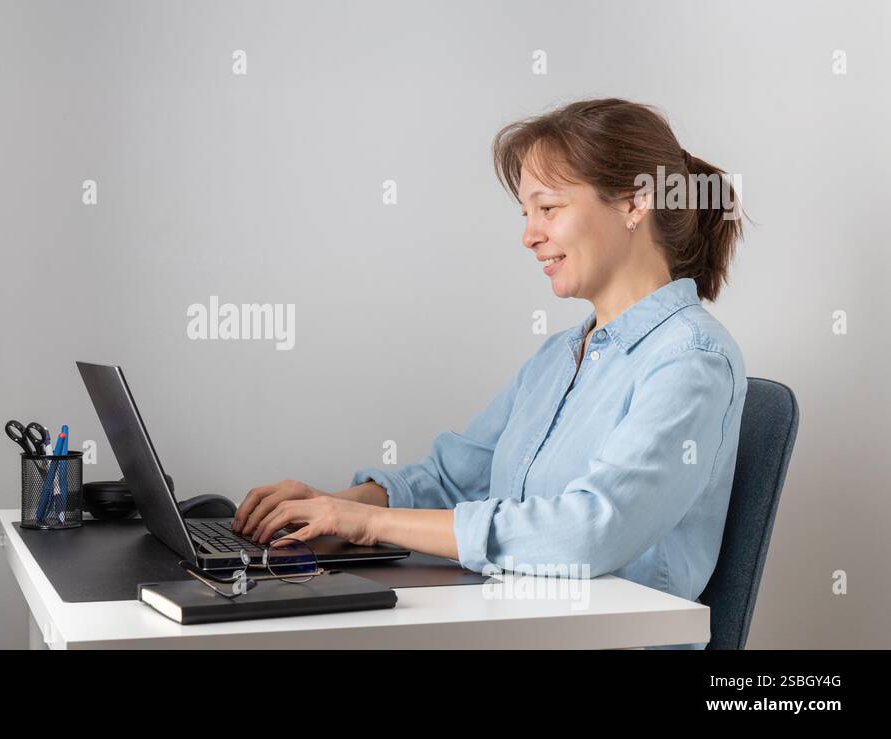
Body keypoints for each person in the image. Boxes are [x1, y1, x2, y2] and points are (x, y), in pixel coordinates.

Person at [231, 98, 747, 649]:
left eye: (548, 208)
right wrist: (337, 507)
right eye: (526, 214)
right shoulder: (562, 354)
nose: (529, 235)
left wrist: (370, 526)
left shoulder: (691, 360)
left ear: (634, 203)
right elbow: (459, 476)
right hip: (510, 625)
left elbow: (589, 531)